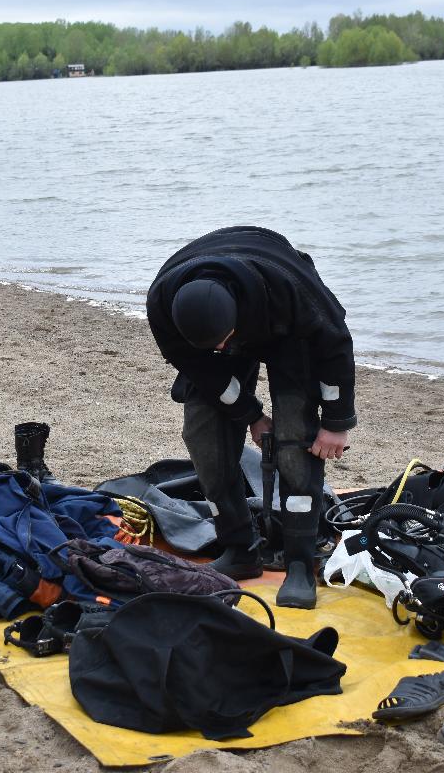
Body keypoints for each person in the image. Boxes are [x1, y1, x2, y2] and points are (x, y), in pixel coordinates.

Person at [146, 226, 357, 609]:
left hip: (284, 326)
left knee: (295, 442)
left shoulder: (293, 290)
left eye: (226, 339)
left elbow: (335, 345)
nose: (226, 348)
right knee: (203, 435)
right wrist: (252, 415)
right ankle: (239, 546)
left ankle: (297, 561)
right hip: (219, 331)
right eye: (217, 346)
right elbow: (204, 372)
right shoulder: (162, 304)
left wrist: (336, 423)